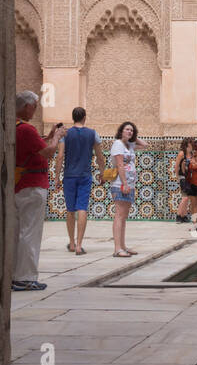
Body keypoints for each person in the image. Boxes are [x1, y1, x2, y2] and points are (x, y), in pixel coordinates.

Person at [12, 91, 64, 291]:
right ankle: (25, 278)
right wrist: (57, 138)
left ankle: (15, 275)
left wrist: (49, 136)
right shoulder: (27, 129)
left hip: (19, 185)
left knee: (18, 232)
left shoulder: (15, 127)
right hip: (32, 185)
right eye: (34, 106)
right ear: (26, 106)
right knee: (30, 233)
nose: (35, 110)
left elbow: (35, 147)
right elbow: (48, 153)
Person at [52, 106, 105, 254]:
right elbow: (100, 156)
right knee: (82, 208)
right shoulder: (93, 134)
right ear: (84, 117)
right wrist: (102, 173)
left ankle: (72, 243)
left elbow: (60, 156)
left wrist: (56, 176)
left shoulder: (65, 134)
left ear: (73, 117)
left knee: (70, 209)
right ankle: (80, 245)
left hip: (69, 176)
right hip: (85, 175)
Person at [109, 121, 148, 258]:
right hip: (120, 184)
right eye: (127, 129)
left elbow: (145, 145)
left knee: (124, 217)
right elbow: (120, 165)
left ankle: (123, 246)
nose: (129, 132)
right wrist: (124, 183)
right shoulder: (118, 144)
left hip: (130, 184)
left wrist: (133, 136)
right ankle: (117, 248)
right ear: (121, 131)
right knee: (119, 215)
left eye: (131, 130)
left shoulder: (129, 145)